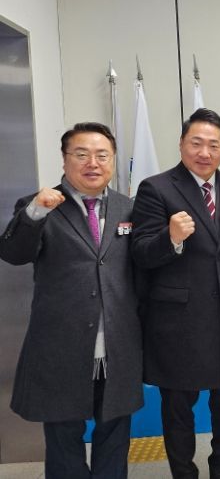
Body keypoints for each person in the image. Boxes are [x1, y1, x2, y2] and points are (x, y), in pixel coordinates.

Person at [0, 122, 143, 479]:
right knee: (64, 441)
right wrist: (36, 212)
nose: (92, 163)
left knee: (115, 436)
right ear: (64, 160)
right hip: (60, 348)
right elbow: (13, 254)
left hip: (117, 346)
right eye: (81, 154)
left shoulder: (130, 208)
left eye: (102, 155)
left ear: (112, 160)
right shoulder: (38, 205)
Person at [131, 108, 220, 479]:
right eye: (197, 143)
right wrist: (170, 238)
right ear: (181, 144)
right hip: (179, 321)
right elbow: (140, 253)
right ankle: (183, 473)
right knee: (178, 409)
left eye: (214, 144)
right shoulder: (156, 188)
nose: (205, 152)